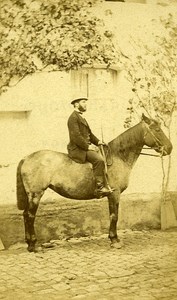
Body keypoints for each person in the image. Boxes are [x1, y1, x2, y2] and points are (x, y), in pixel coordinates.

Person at [67, 96, 112, 198]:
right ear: (76, 104)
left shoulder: (81, 117)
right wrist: (88, 147)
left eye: (86, 102)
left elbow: (89, 135)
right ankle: (99, 188)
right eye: (83, 102)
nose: (86, 104)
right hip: (77, 149)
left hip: (83, 147)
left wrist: (98, 142)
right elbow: (76, 137)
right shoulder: (73, 118)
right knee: (99, 160)